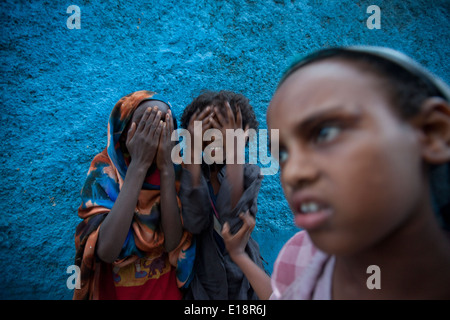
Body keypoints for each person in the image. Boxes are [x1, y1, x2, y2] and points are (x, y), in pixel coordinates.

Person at [222, 46, 450, 299]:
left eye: (325, 133)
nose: (293, 173)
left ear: (432, 132)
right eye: (283, 154)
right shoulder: (297, 255)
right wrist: (239, 255)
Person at [73, 90, 195, 300]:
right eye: (144, 125)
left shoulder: (175, 170)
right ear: (124, 130)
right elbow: (106, 251)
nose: (153, 135)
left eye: (163, 125)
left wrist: (166, 168)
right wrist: (139, 165)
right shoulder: (105, 171)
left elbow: (173, 242)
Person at [178, 90, 265, 299]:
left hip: (244, 283)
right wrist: (191, 151)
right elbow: (194, 221)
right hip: (202, 285)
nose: (215, 138)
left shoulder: (248, 173)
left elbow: (232, 223)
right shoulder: (189, 173)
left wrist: (235, 154)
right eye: (207, 130)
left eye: (223, 130)